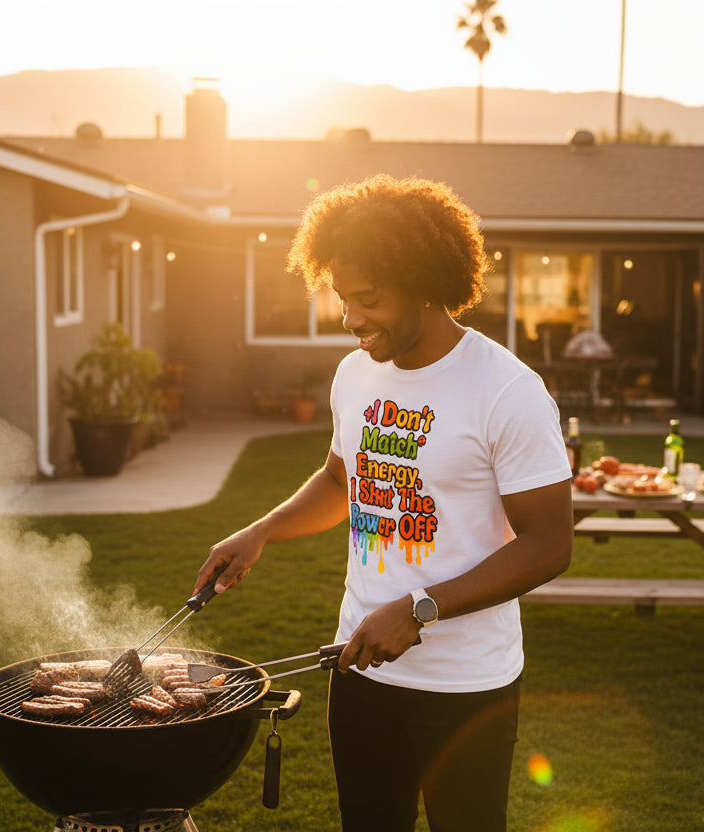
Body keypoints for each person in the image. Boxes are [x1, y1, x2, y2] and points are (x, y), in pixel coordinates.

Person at [194, 174, 574, 832]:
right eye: (342, 297)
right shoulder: (354, 374)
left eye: (367, 298)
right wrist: (262, 530)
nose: (349, 318)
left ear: (424, 281)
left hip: (465, 684)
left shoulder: (506, 390)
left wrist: (422, 608)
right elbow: (343, 483)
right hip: (360, 667)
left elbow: (549, 545)